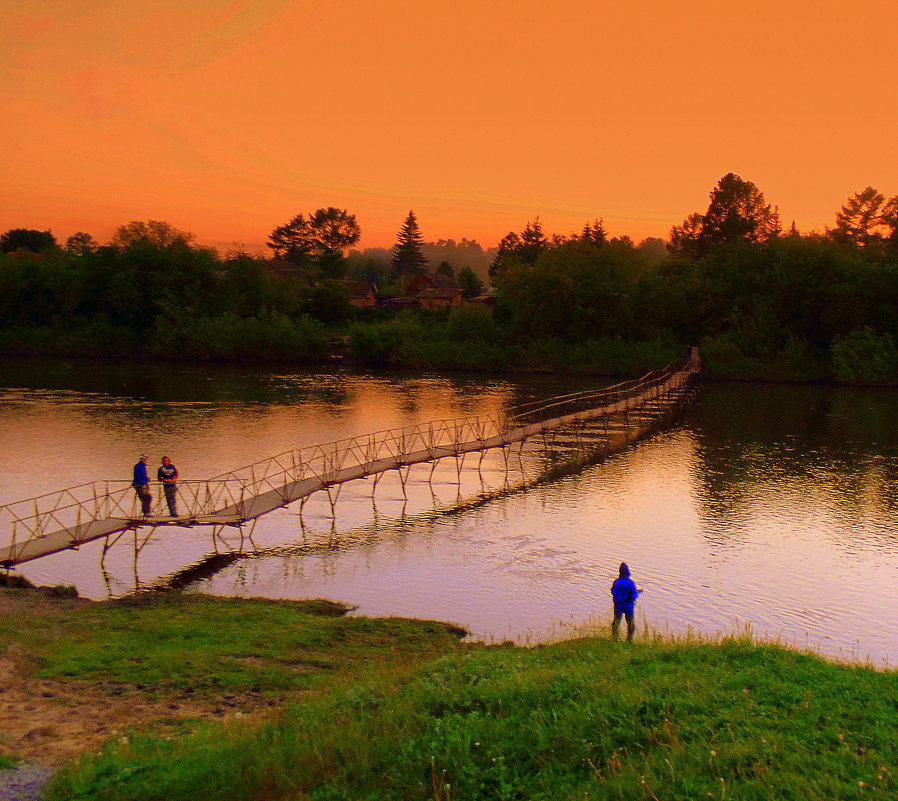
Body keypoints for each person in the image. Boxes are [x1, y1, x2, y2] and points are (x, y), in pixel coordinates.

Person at [610, 561, 640, 641]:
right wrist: (637, 593)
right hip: (628, 606)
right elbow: (634, 595)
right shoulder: (630, 583)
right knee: (630, 624)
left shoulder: (616, 582)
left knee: (616, 622)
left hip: (618, 605)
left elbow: (613, 592)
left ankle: (615, 639)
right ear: (628, 572)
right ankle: (629, 640)